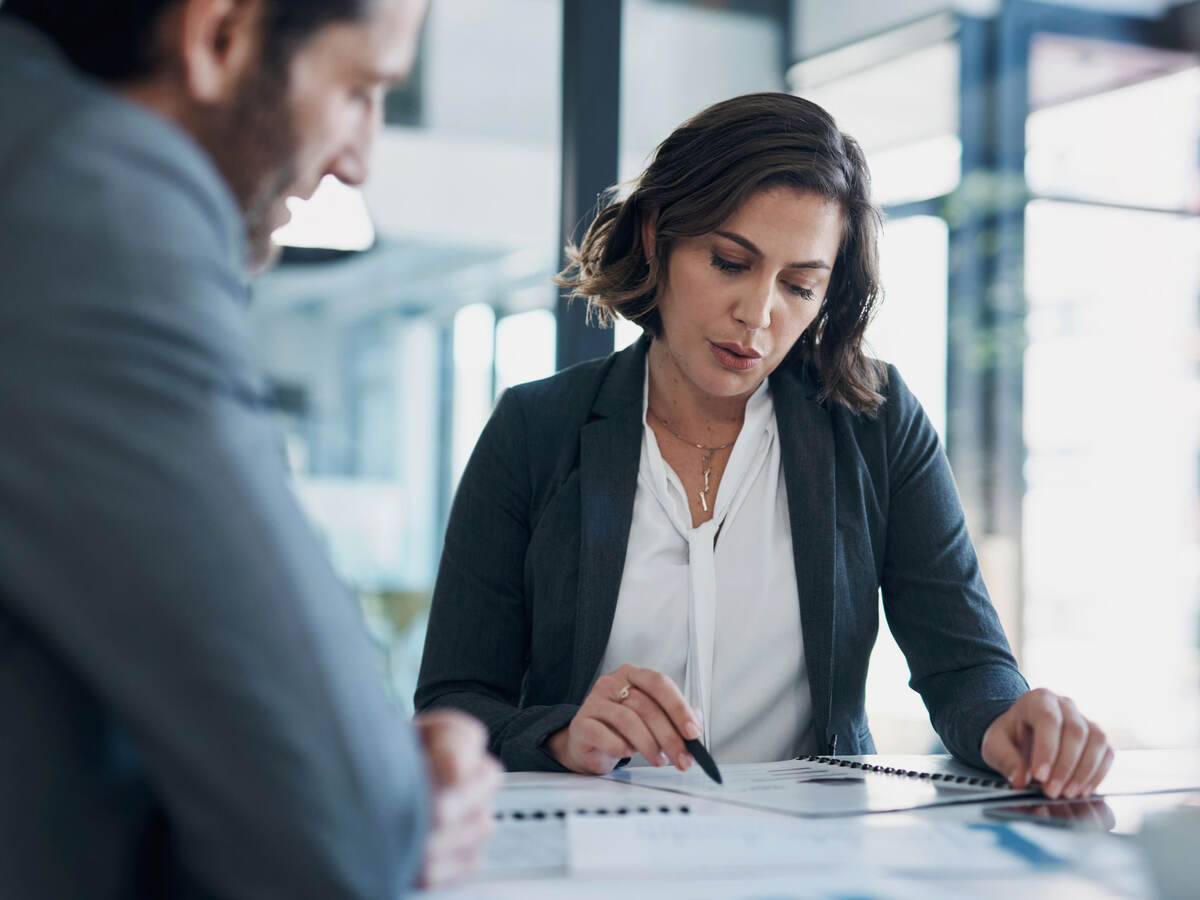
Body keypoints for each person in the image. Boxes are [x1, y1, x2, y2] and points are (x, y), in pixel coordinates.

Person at [416, 92, 1114, 800]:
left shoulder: (876, 421)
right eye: (728, 262)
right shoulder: (535, 428)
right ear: (658, 235)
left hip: (807, 853)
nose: (758, 315)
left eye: (800, 285)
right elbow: (456, 700)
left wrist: (1012, 720)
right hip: (596, 847)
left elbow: (966, 666)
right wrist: (564, 734)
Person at [0, 1, 500, 897]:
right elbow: (337, 839)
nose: (360, 159)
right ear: (219, 36)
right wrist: (393, 792)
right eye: (358, 89)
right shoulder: (85, 194)